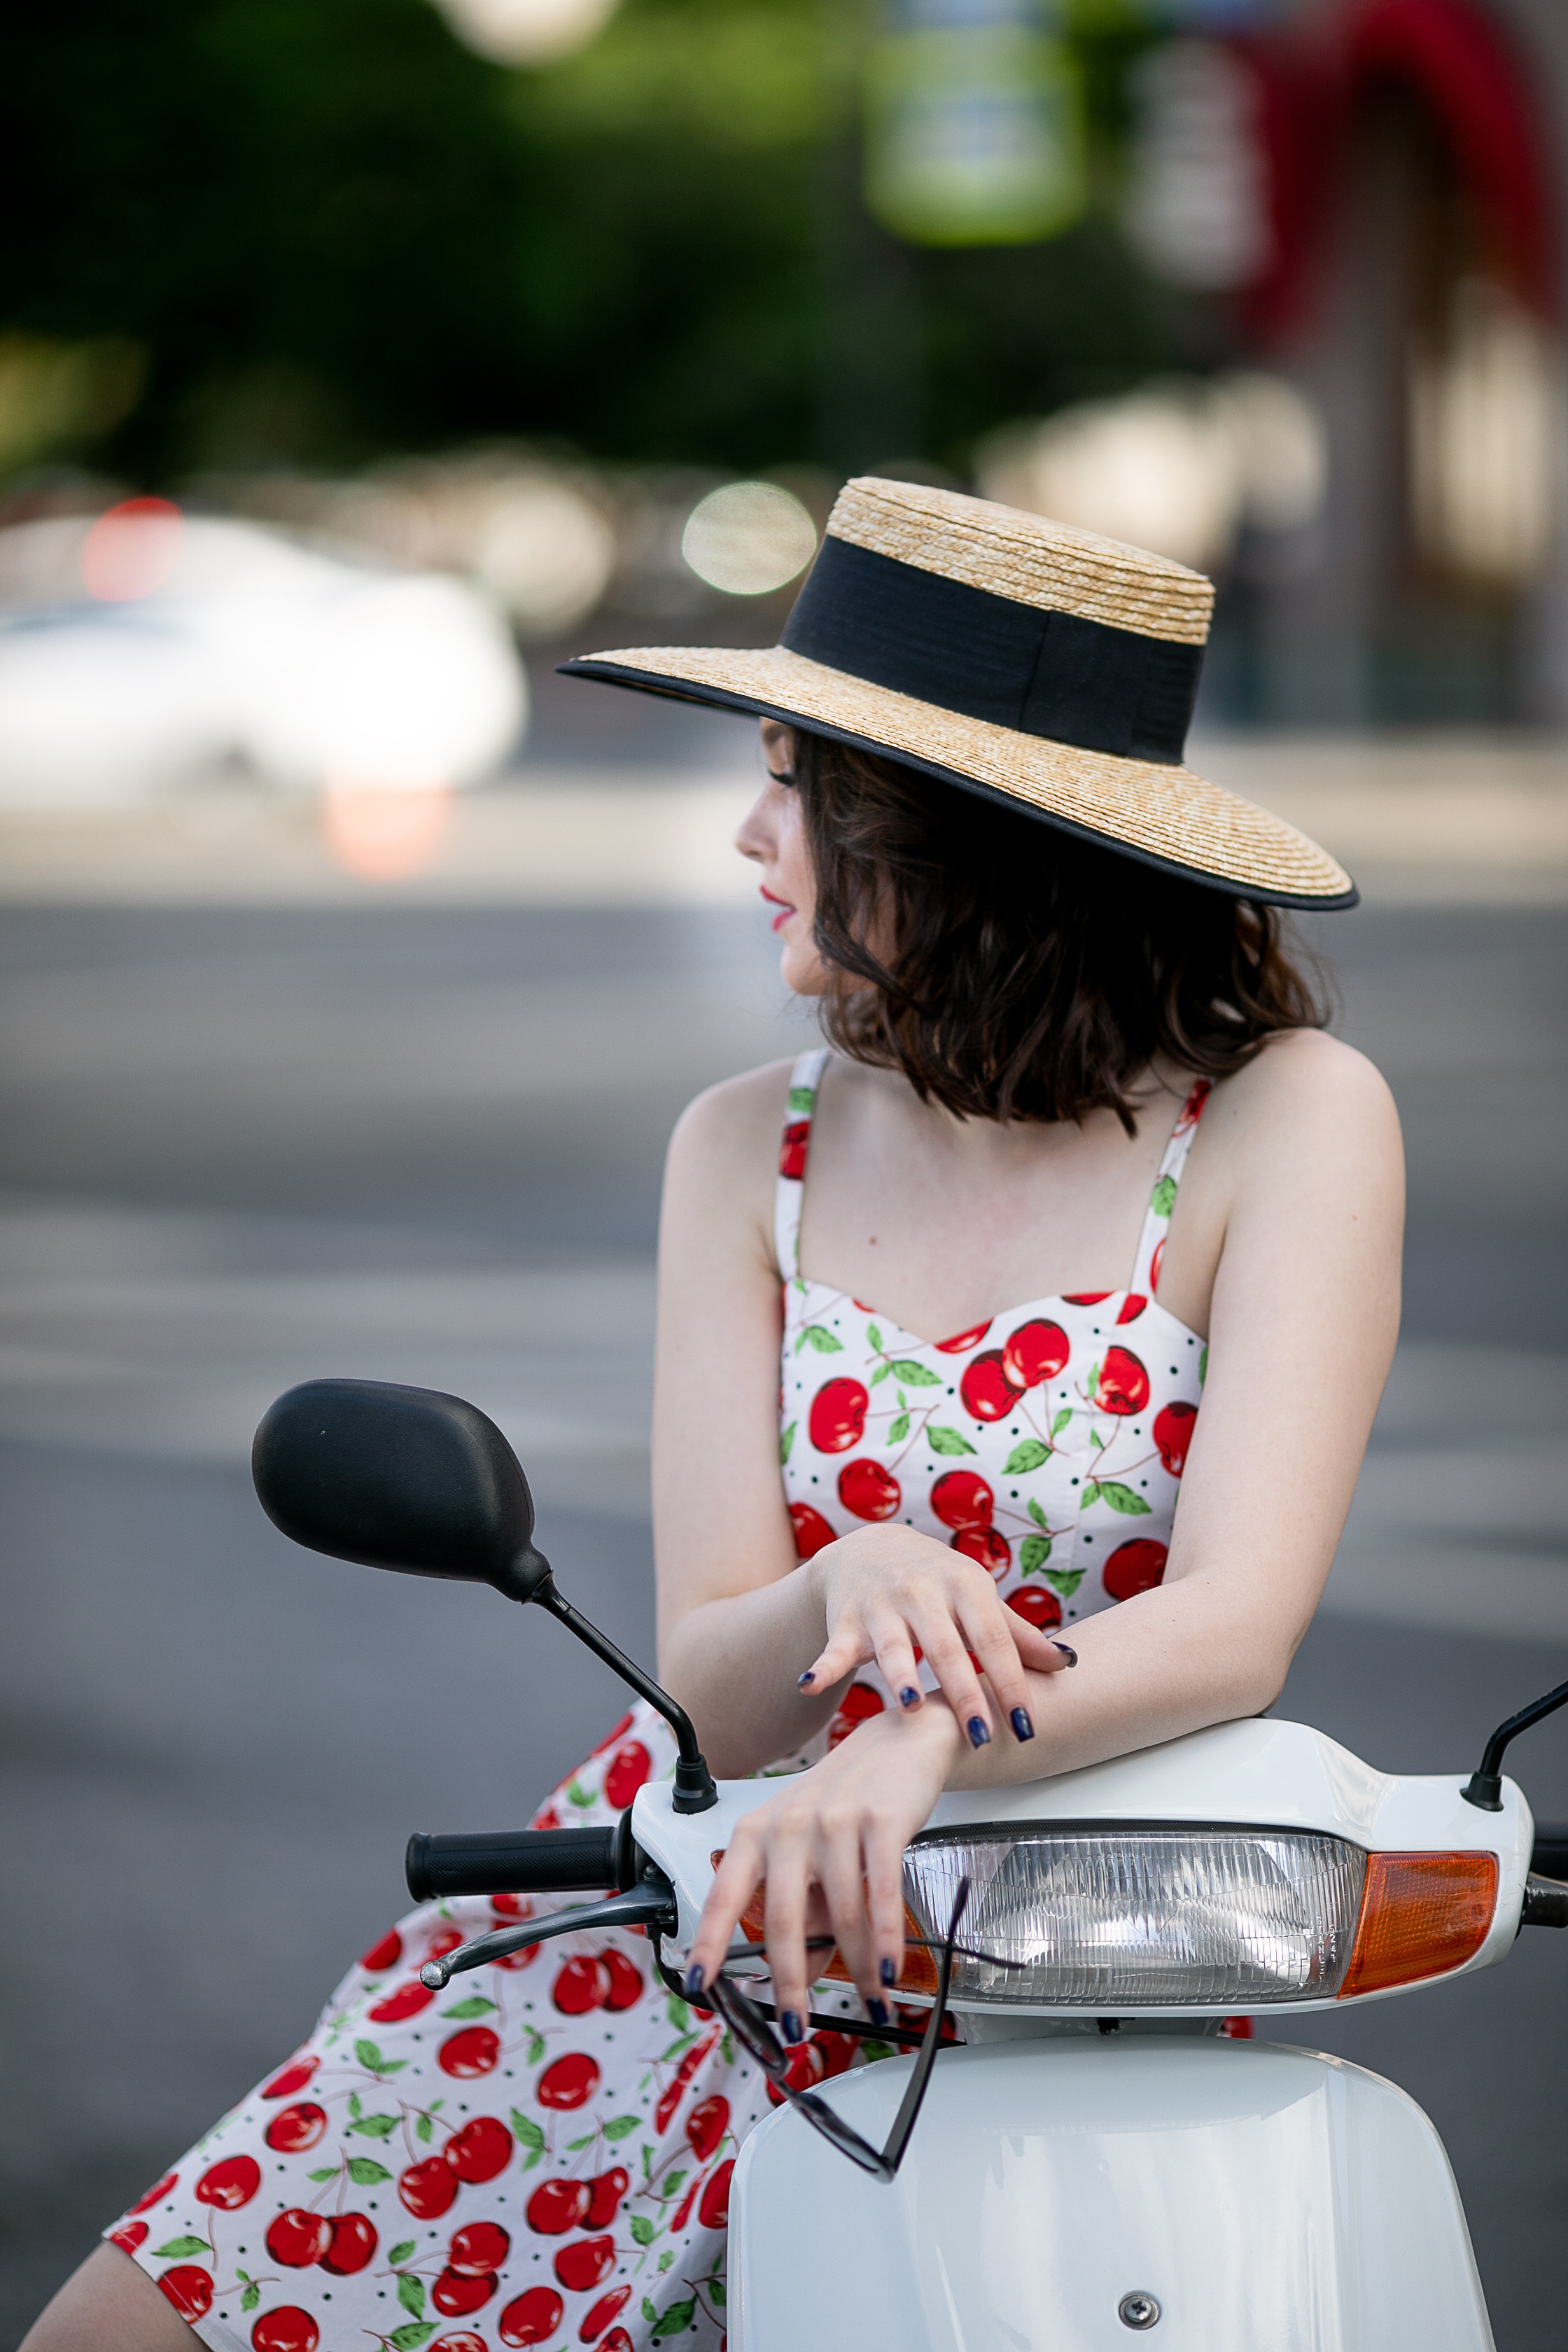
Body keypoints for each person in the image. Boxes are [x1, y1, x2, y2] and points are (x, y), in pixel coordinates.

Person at [26, 479, 1401, 2352]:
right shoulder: (749, 1144)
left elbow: (1237, 1620)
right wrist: (857, 1579)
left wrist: (928, 1732)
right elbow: (718, 1691)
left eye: (793, 789)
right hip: (690, 1917)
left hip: (1059, 1950)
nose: (752, 837)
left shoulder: (1289, 1119)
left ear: (952, 836)